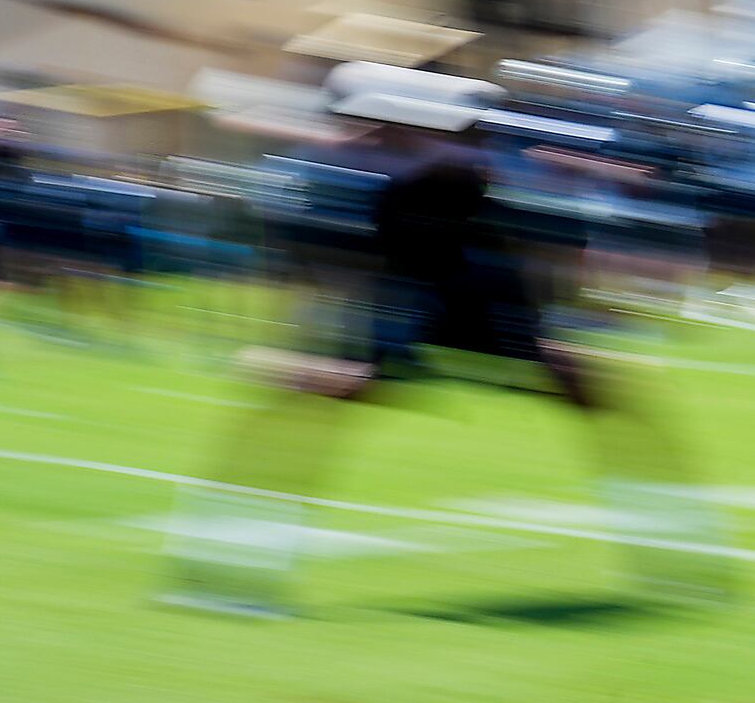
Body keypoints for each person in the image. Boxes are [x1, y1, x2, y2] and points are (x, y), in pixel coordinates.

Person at [165, 62, 718, 617]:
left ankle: (220, 574)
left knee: (298, 413)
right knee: (299, 412)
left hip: (471, 309)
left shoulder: (421, 166)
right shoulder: (422, 168)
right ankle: (222, 574)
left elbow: (388, 230)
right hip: (443, 309)